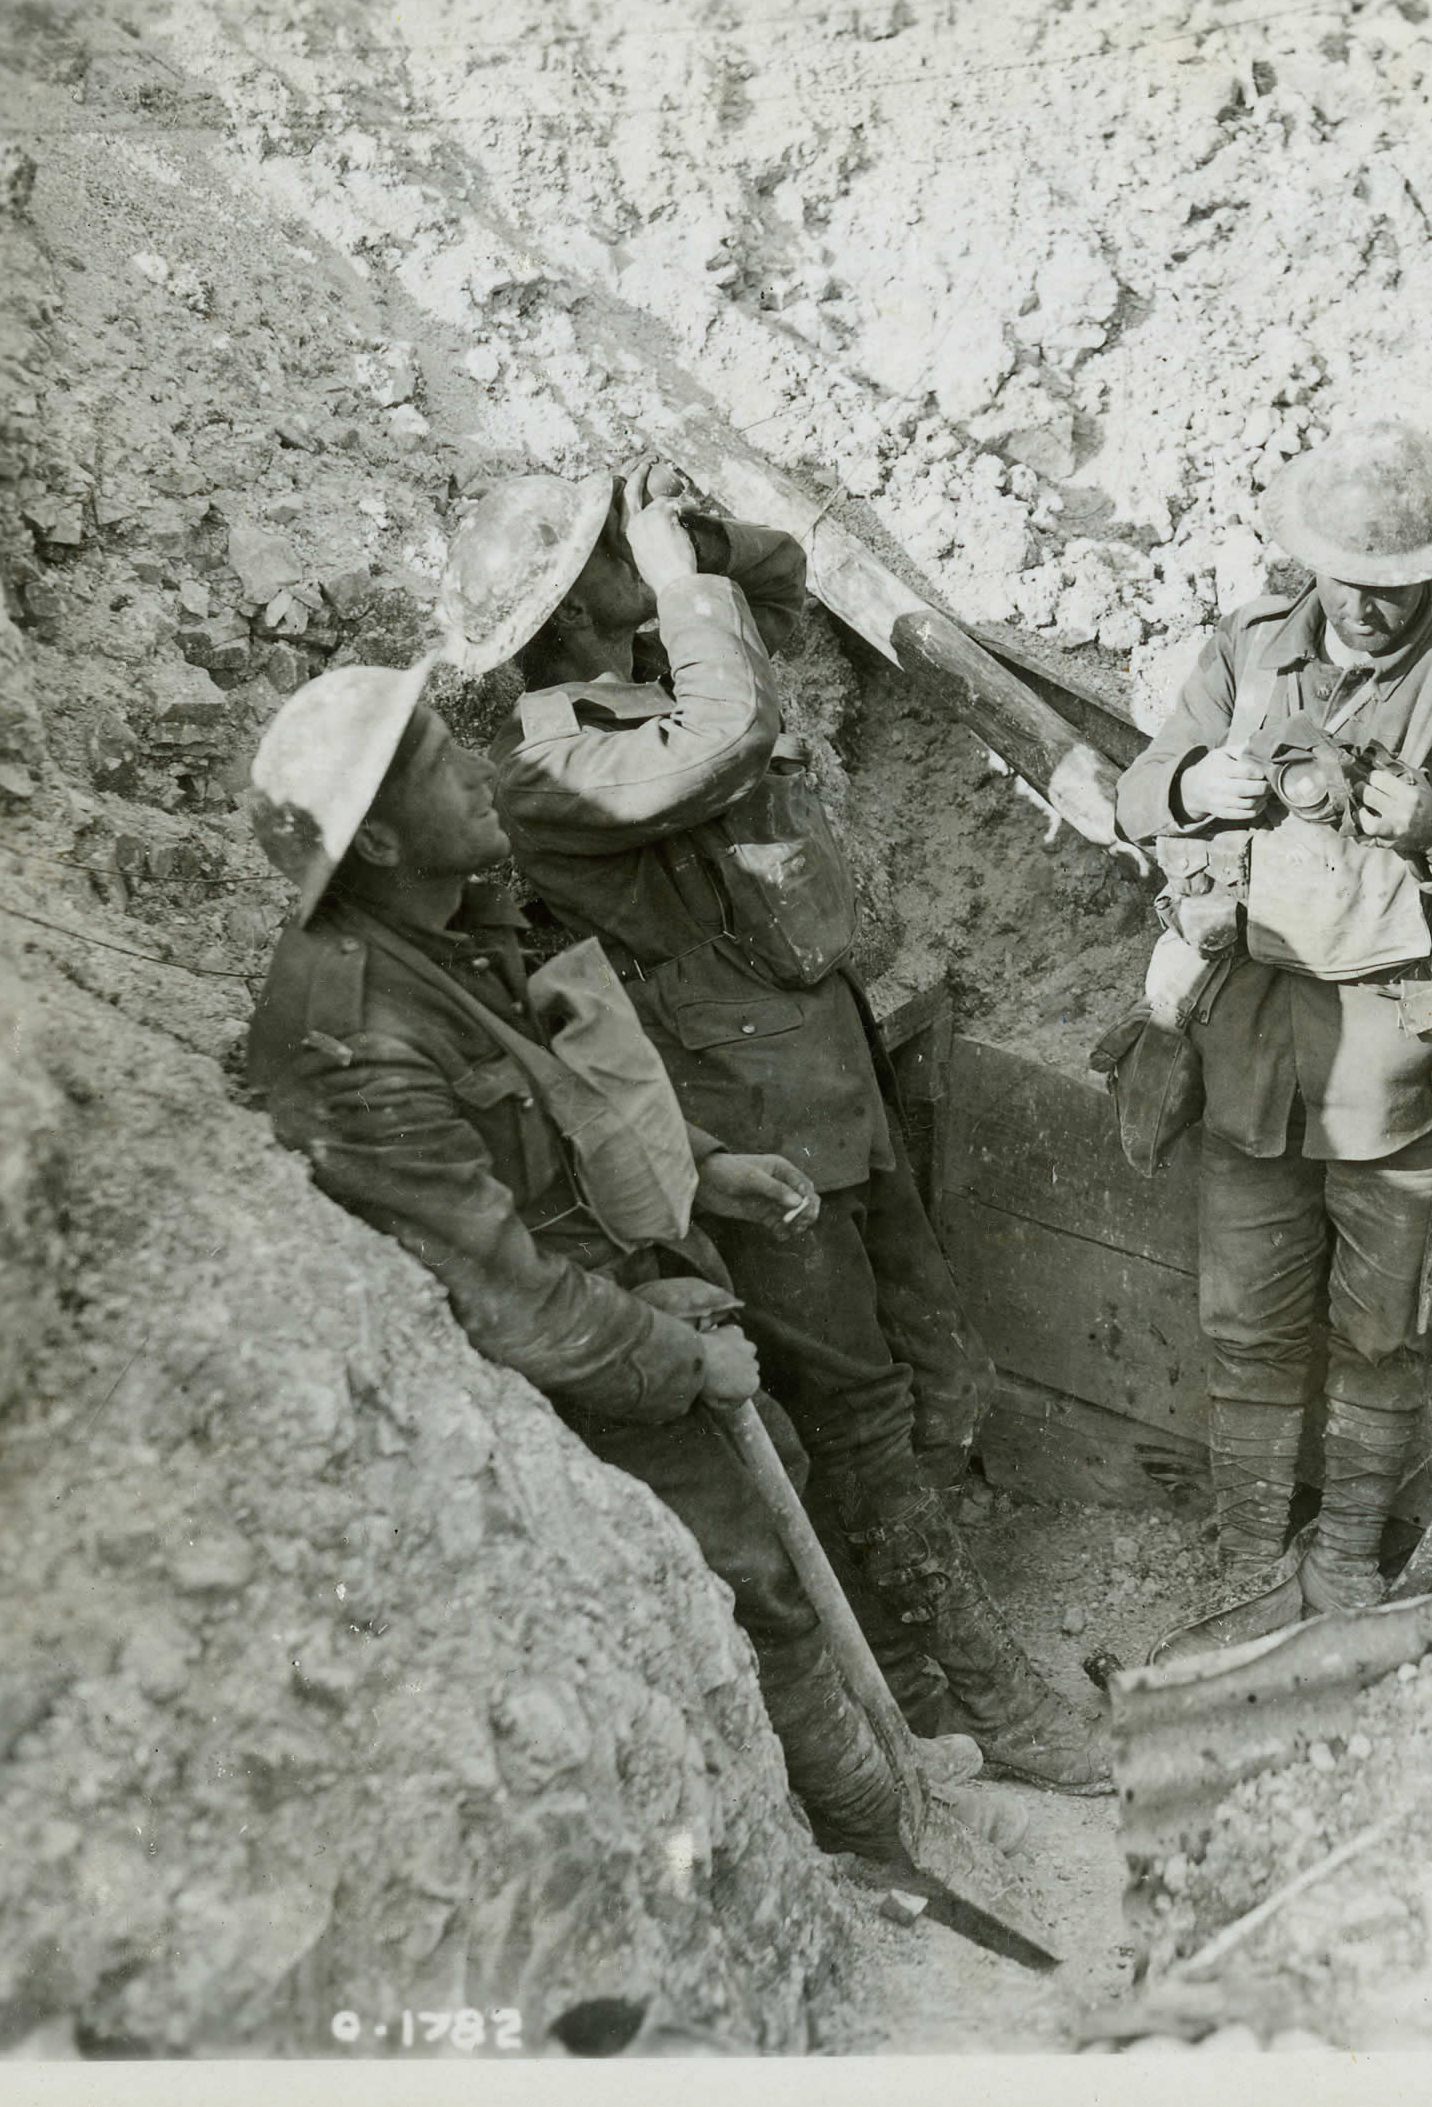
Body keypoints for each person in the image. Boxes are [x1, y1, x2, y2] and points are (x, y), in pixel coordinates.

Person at [432, 462, 1103, 1793]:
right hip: (743, 1119)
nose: (650, 562)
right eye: (608, 555)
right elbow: (729, 736)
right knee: (854, 1409)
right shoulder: (545, 757)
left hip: (827, 1072)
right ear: (575, 606)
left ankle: (920, 1677)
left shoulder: (632, 679)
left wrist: (698, 543)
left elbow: (784, 592)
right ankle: (1004, 1708)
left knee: (918, 1361)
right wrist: (678, 587)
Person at [241, 663, 956, 1864]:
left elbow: (565, 1102)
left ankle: (874, 1767)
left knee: (774, 1460)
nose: (476, 773)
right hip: (514, 1385)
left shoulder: (449, 932)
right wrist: (679, 1357)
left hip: (591, 1299)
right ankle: (865, 1837)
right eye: (434, 766)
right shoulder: (356, 1036)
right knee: (741, 1566)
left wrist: (707, 1166)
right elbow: (508, 1305)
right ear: (371, 847)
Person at [1115, 422, 1432, 1632]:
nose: (1371, 612)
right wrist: (1187, 789)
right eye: (1350, 586)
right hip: (1250, 1047)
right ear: (1308, 567)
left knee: (1377, 1333)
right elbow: (1136, 792)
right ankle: (1246, 1548)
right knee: (1244, 1321)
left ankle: (1342, 1558)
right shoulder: (1249, 650)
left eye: (1398, 590)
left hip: (1393, 1056)